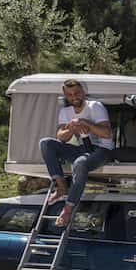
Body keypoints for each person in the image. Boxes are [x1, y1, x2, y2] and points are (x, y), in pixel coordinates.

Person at [39, 79, 114, 227]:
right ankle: (61, 187)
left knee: (80, 163)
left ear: (84, 92)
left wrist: (87, 124)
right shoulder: (65, 112)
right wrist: (72, 129)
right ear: (66, 95)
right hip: (81, 149)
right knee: (46, 143)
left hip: (102, 149)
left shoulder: (95, 106)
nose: (74, 97)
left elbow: (106, 133)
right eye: (70, 94)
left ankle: (67, 210)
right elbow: (61, 136)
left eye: (77, 93)